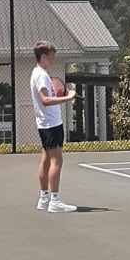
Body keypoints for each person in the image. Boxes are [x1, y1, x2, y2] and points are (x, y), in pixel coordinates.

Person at [30, 41, 77, 213]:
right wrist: (68, 98)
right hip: (51, 124)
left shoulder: (37, 73)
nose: (53, 59)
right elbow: (45, 100)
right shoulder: (41, 75)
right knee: (57, 161)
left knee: (46, 159)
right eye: (51, 56)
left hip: (46, 124)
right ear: (43, 56)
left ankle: (44, 199)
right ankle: (55, 201)